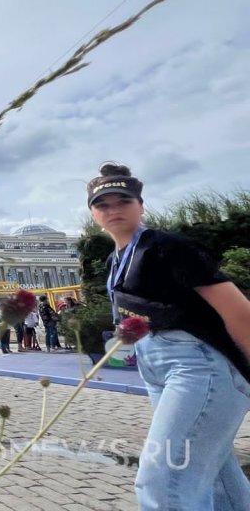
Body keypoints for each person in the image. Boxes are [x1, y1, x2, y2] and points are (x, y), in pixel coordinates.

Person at [87, 162, 250, 509]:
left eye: (123, 200)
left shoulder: (168, 247)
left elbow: (239, 312)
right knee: (217, 476)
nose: (113, 209)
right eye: (102, 204)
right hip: (155, 366)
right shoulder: (114, 259)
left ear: (141, 206)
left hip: (198, 364)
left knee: (164, 481)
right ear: (93, 214)